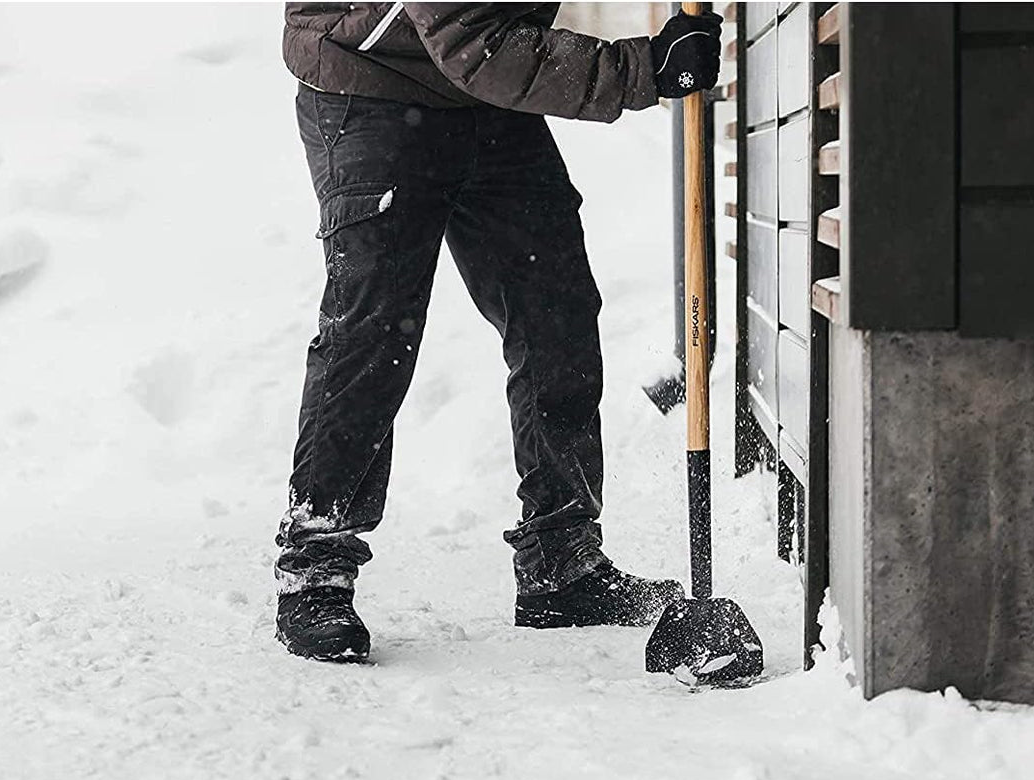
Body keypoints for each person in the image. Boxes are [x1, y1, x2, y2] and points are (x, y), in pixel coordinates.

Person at [276, 3, 723, 661]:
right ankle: (315, 563)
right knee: (374, 326)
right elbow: (468, 34)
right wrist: (643, 69)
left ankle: (559, 561)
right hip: (371, 80)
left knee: (555, 308)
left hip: (484, 93)